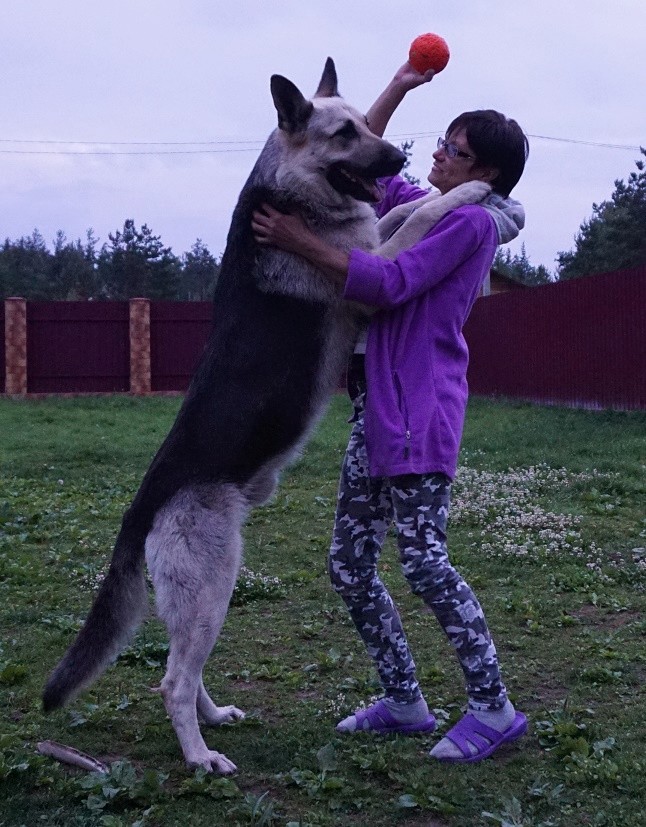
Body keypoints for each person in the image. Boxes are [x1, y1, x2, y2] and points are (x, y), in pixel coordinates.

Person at [252, 61, 529, 763]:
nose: (437, 152)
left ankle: (493, 708)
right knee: (348, 564)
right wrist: (404, 80)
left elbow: (392, 277)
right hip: (377, 411)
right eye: (443, 141)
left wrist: (298, 241)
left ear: (485, 174)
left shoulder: (468, 224)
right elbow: (360, 156)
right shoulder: (417, 206)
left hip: (419, 410)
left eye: (455, 150)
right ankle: (405, 700)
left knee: (426, 563)